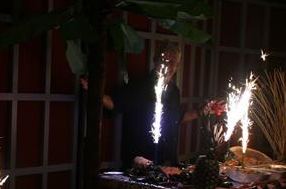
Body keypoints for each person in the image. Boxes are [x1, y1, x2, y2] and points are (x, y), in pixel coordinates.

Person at [82, 42, 221, 171]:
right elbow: (115, 103)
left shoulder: (174, 91)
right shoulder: (139, 86)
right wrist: (95, 90)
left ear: (177, 66)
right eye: (164, 60)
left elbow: (177, 117)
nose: (167, 65)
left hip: (167, 162)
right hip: (140, 163)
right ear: (155, 60)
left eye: (172, 62)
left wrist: (202, 111)